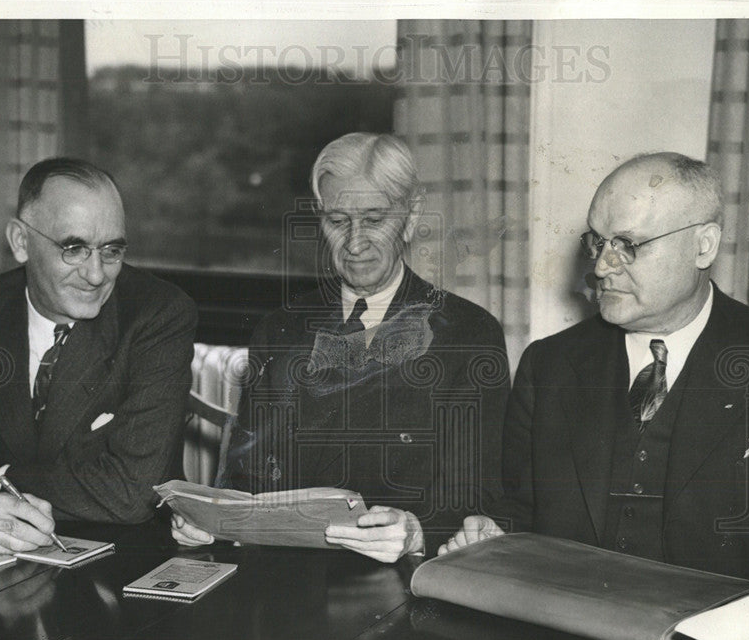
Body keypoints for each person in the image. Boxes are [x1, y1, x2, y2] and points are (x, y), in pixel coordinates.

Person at [440, 152, 749, 586]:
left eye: (629, 245)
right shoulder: (548, 365)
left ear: (704, 246)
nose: (602, 266)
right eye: (598, 242)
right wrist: (493, 535)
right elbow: (519, 509)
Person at [172, 133, 510, 561]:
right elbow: (244, 477)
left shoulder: (468, 335)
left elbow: (481, 497)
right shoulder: (278, 330)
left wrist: (416, 531)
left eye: (373, 219)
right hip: (280, 577)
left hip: (402, 579)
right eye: (337, 220)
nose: (354, 243)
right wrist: (210, 521)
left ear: (410, 217)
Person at [0, 157, 198, 554]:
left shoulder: (158, 315)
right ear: (21, 242)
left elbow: (132, 493)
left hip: (124, 558)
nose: (96, 274)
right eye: (74, 248)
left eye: (111, 250)